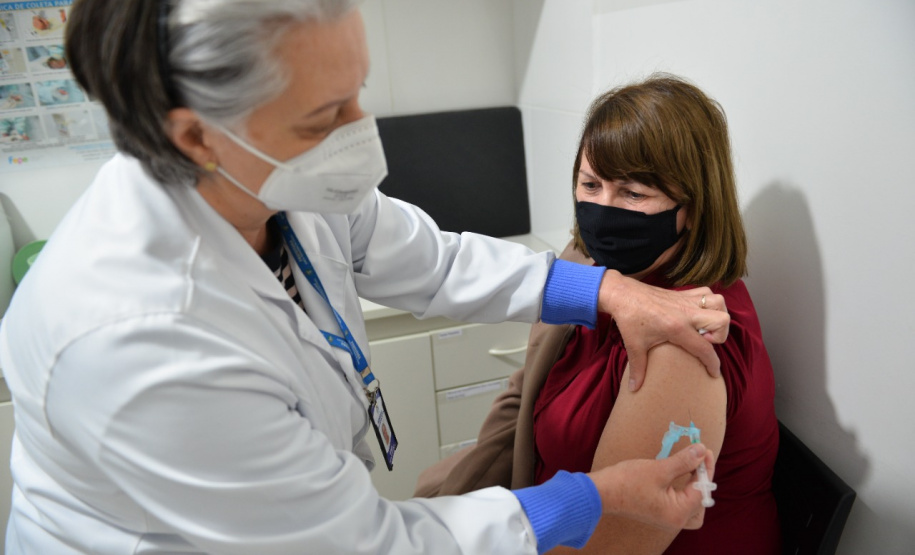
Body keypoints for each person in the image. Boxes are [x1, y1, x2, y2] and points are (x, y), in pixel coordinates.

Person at [0, 2, 729, 554]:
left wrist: (606, 290)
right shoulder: (140, 338)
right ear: (195, 136)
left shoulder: (271, 184)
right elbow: (369, 545)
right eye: (326, 116)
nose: (362, 130)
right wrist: (590, 499)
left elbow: (433, 261)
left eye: (358, 91)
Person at [418, 75, 780, 554]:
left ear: (692, 207)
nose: (603, 210)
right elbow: (526, 390)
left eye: (633, 193)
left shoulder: (687, 339)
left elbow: (610, 545)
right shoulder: (590, 270)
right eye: (591, 184)